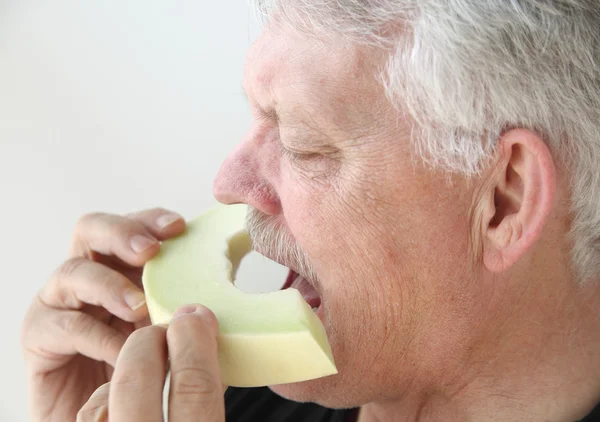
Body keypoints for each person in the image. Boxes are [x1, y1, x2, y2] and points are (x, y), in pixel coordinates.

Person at [20, 1, 600, 421]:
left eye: (301, 143)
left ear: (504, 201)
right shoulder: (210, 407)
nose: (228, 184)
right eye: (257, 121)